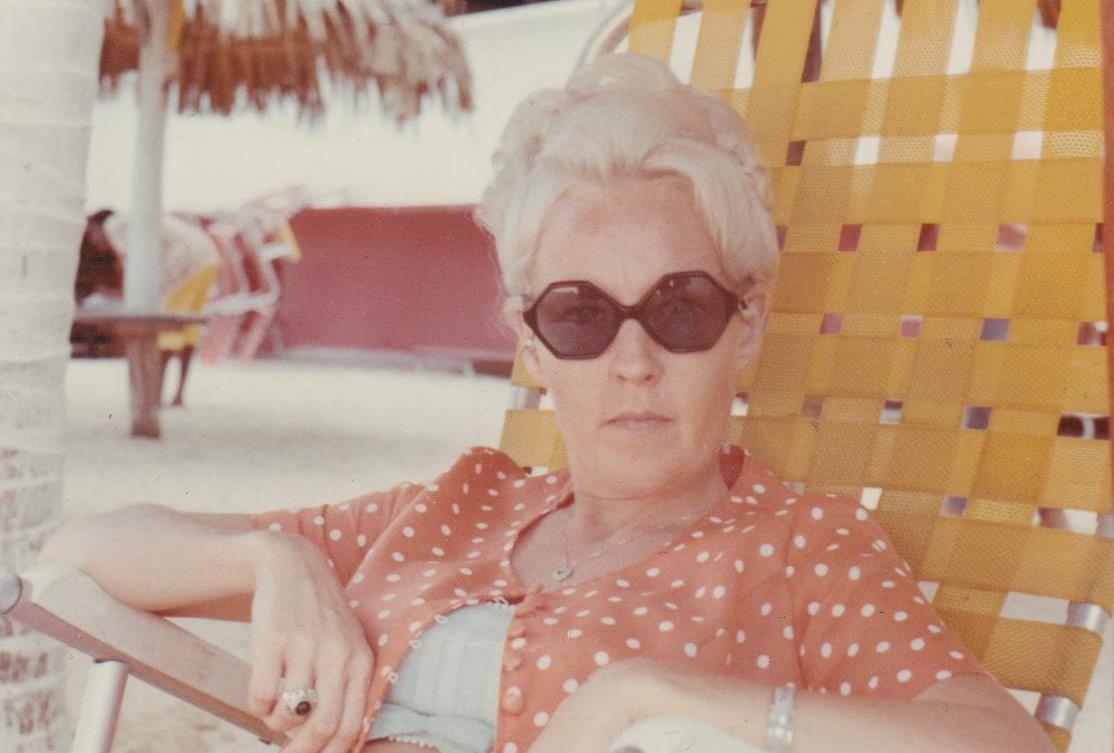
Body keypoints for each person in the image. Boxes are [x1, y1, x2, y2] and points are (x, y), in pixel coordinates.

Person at [39, 54, 1052, 753]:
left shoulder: (794, 550)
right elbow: (78, 553)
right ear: (530, 343)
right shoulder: (457, 507)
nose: (632, 361)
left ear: (744, 326)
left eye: (681, 308)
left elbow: (998, 741)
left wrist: (651, 693)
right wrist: (271, 560)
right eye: (579, 316)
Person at [72, 208, 218, 405]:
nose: (94, 242)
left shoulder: (112, 226)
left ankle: (155, 393)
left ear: (98, 226)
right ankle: (178, 393)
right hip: (207, 256)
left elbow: (128, 265)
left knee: (166, 327)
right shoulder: (132, 220)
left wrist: (120, 293)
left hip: (186, 261)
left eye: (91, 234)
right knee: (188, 329)